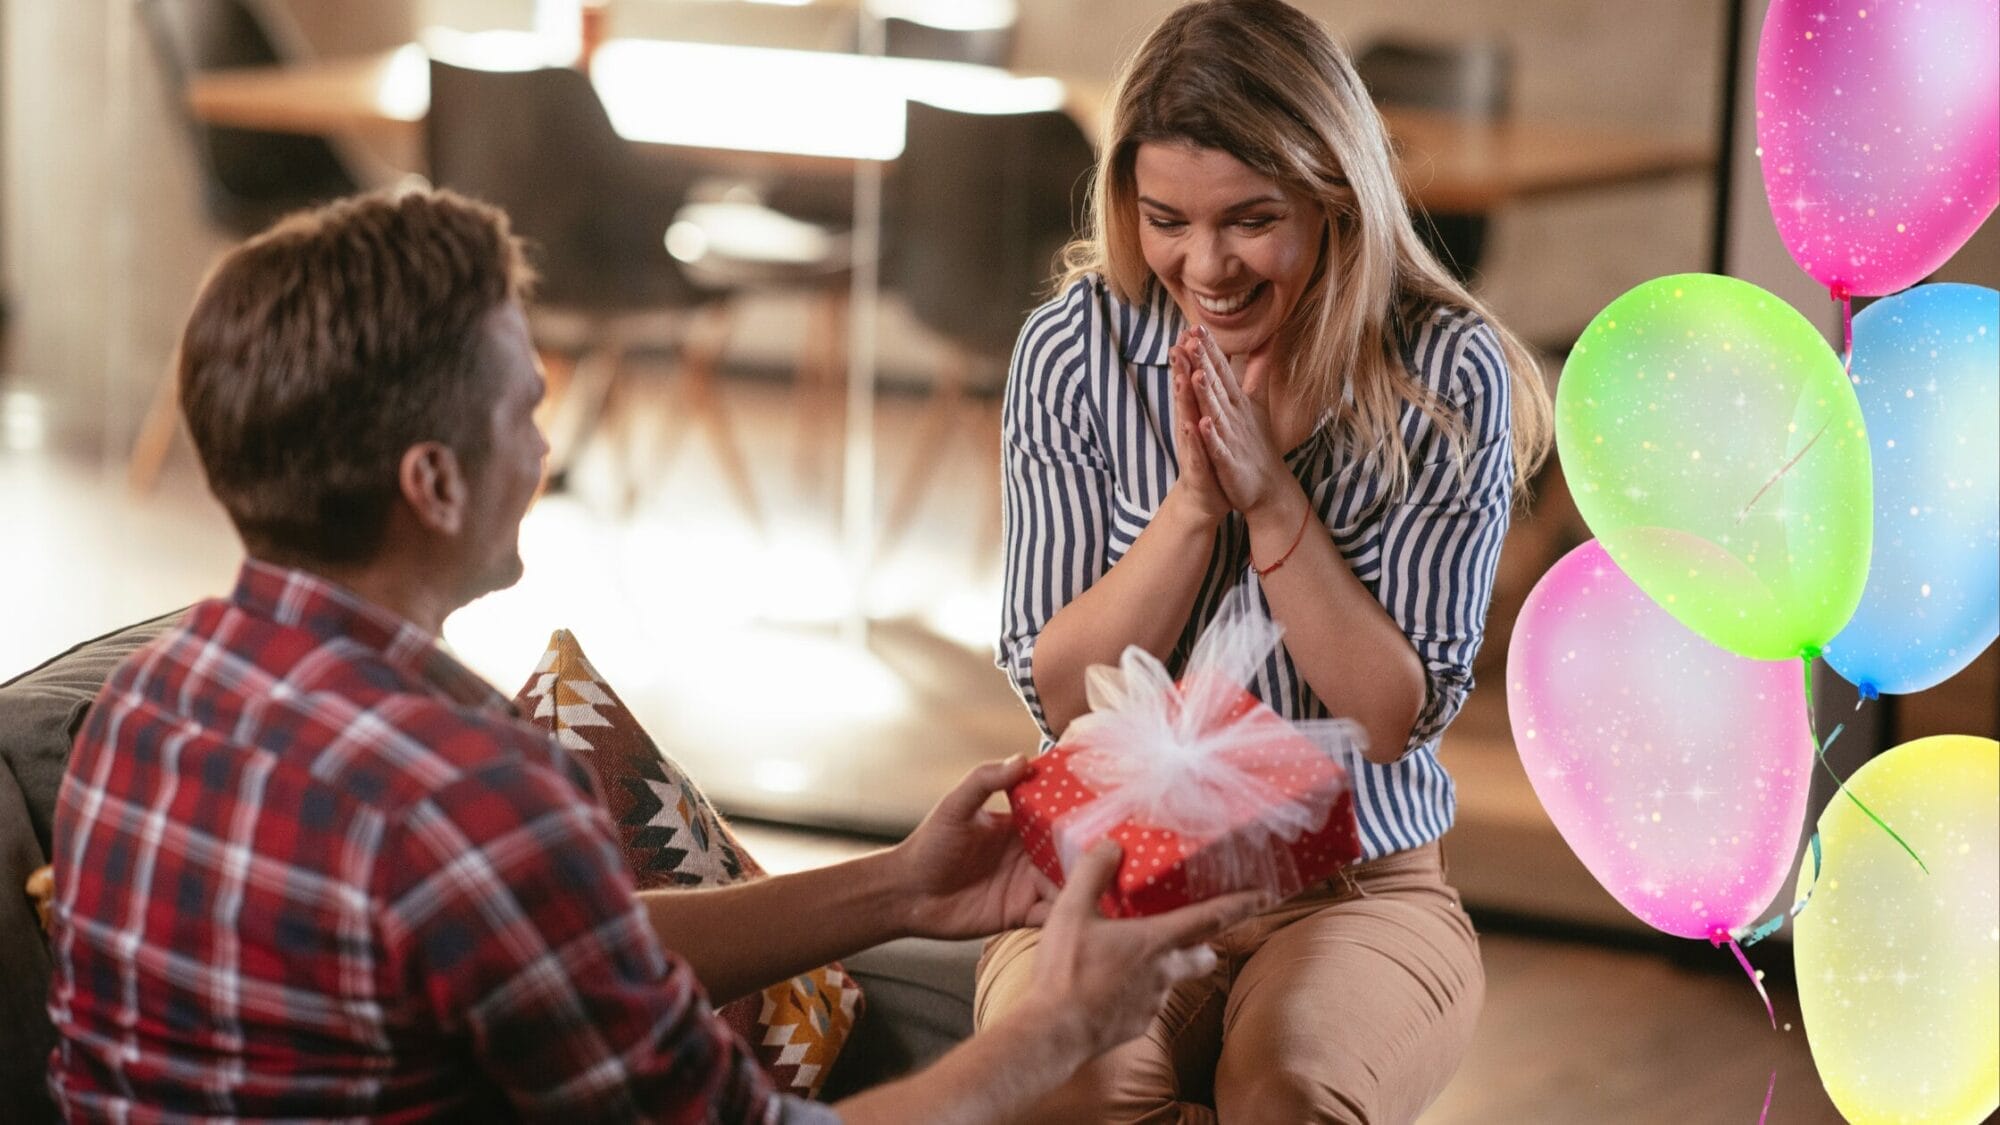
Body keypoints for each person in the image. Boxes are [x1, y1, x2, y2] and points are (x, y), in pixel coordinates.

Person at [43, 188, 1265, 1123]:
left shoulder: (144, 708)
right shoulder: (472, 795)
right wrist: (1056, 1028)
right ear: (432, 482)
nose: (542, 446)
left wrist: (897, 887)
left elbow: (555, 948)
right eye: (523, 409)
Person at [983, 1, 1555, 1120]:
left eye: (1251, 221)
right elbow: (1060, 696)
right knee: (1066, 1092)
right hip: (1111, 869)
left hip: (1352, 888)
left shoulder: (1448, 372)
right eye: (1166, 220)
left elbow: (1387, 715)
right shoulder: (1074, 348)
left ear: (1333, 200)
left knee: (1287, 1094)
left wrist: (1273, 499)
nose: (1205, 265)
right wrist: (1196, 506)